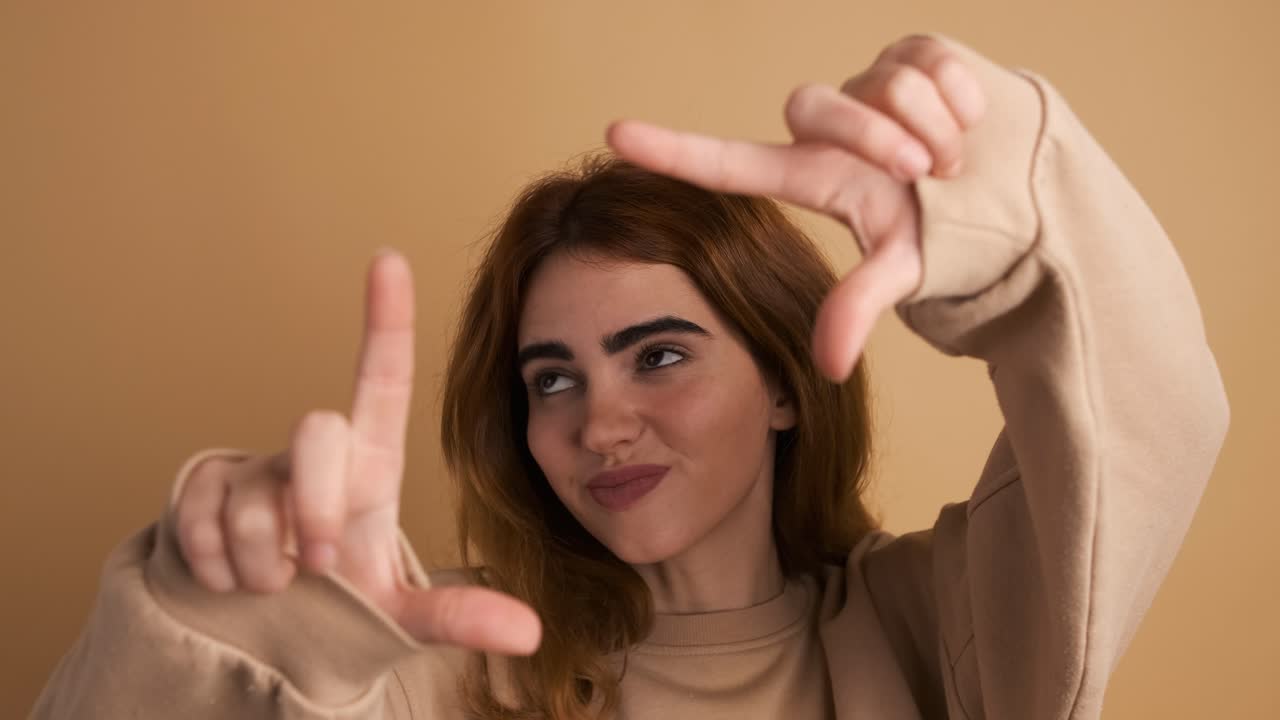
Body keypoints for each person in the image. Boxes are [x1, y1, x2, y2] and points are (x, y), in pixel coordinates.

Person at [32, 33, 1228, 719]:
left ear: (779, 384)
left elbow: (1148, 418)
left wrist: (1012, 223)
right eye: (550, 379)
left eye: (656, 355)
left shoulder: (945, 628)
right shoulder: (439, 670)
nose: (599, 420)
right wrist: (220, 621)